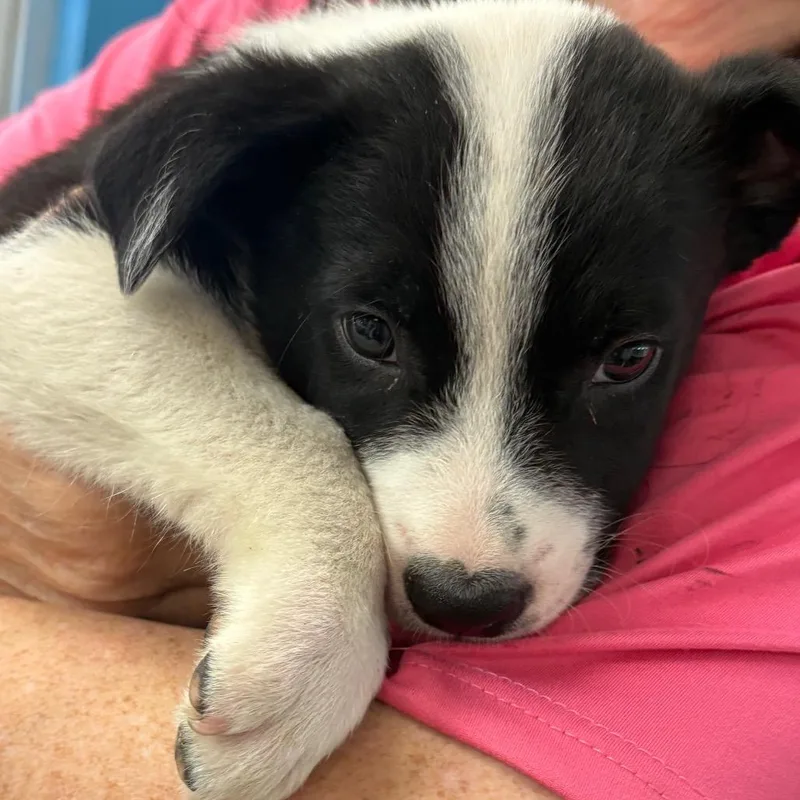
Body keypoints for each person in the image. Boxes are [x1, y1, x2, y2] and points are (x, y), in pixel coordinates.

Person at [2, 1, 800, 798]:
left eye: (623, 359)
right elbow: (36, 297)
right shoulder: (275, 126)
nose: (474, 556)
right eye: (375, 339)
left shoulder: (716, 158)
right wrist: (305, 535)